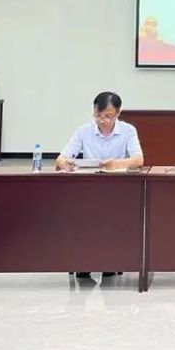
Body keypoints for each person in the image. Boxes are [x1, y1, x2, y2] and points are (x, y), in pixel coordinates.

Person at [54, 91, 143, 282]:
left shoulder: (128, 131)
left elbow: (138, 160)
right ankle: (83, 262)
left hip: (117, 189)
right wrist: (65, 164)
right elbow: (61, 158)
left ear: (118, 113)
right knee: (81, 215)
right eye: (98, 116)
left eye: (108, 116)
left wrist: (116, 164)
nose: (102, 121)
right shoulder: (83, 130)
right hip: (88, 187)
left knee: (113, 217)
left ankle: (110, 261)